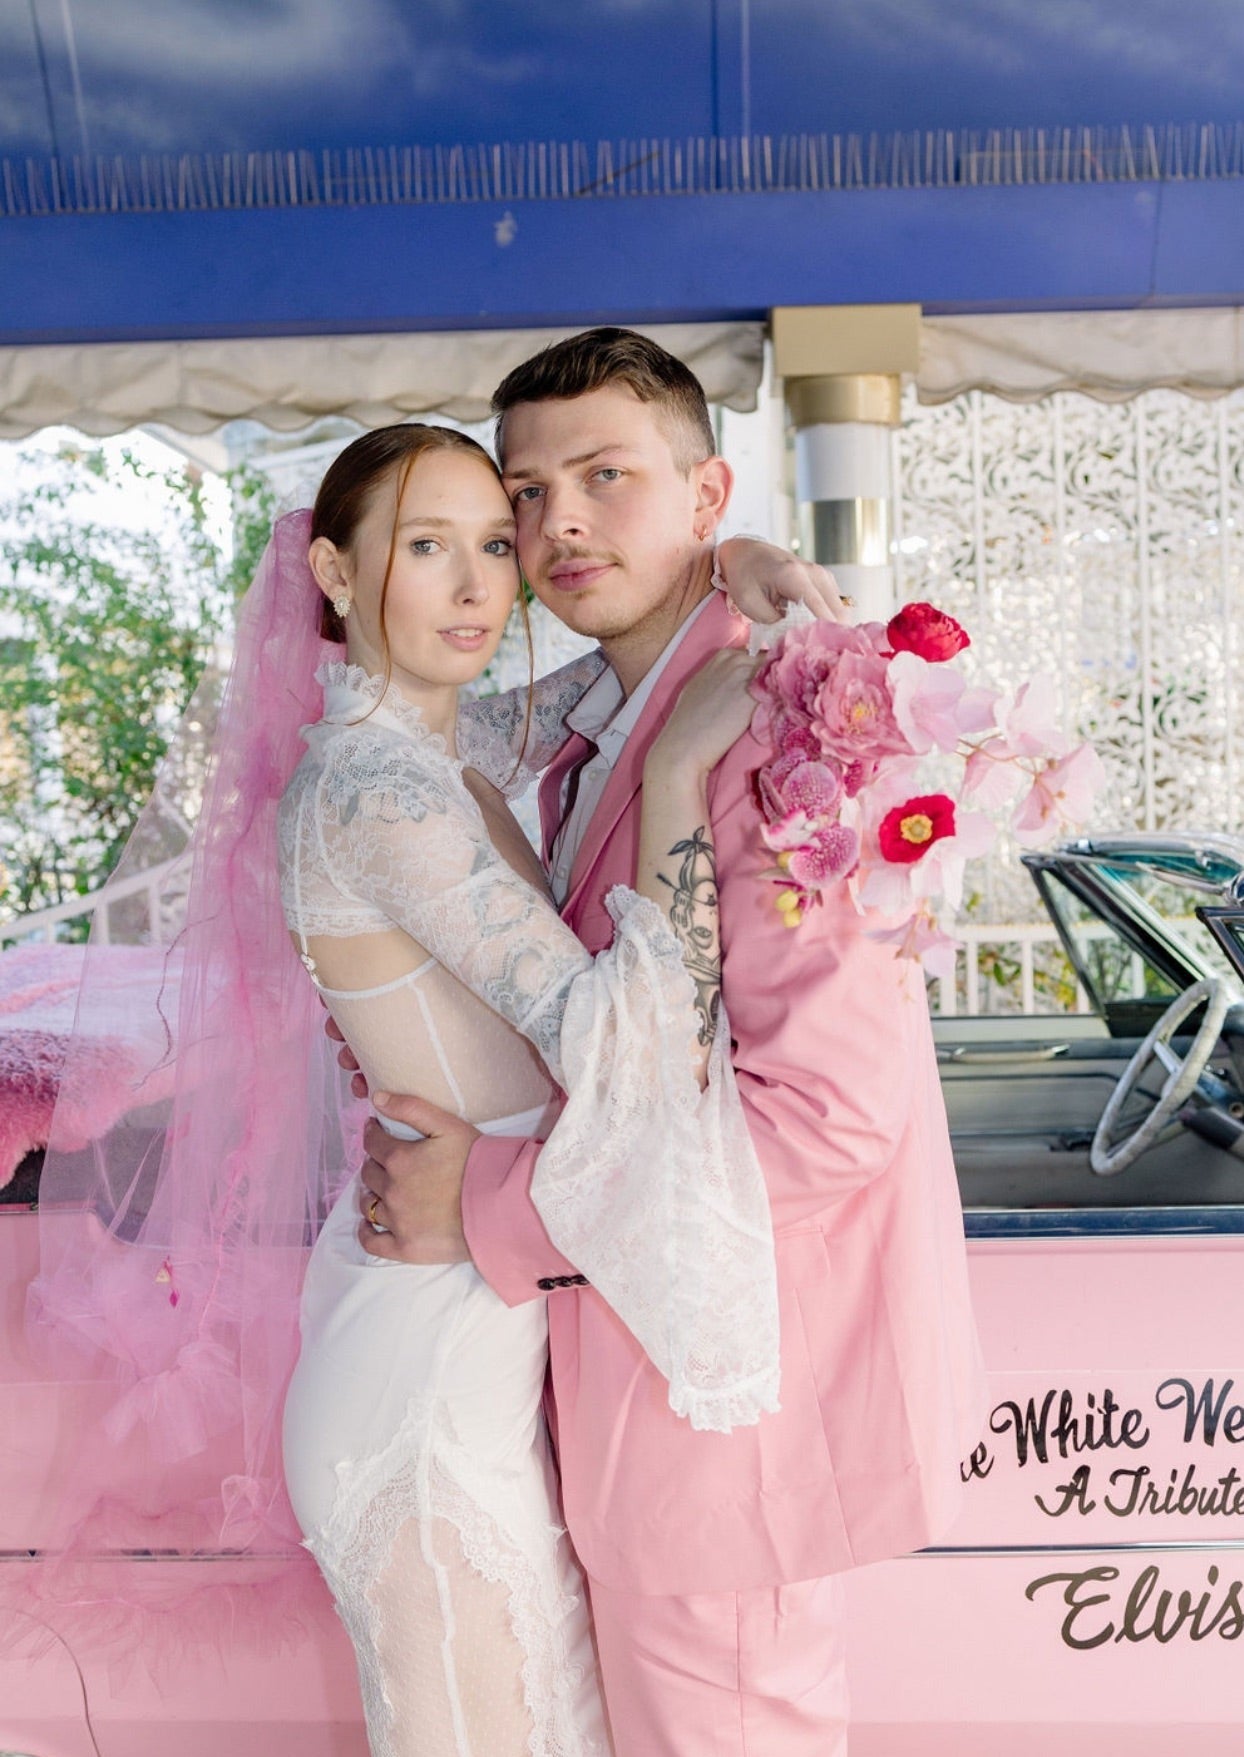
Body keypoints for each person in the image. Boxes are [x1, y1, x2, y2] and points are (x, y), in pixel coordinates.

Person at [350, 328, 988, 1757]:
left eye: (605, 475)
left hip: (722, 1432)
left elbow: (823, 1118)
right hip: (627, 1415)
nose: (557, 519)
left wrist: (491, 1207)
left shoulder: (781, 738)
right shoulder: (607, 717)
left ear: (705, 493)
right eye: (526, 490)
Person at [277, 420, 789, 1757]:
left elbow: (635, 659)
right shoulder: (377, 790)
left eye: (494, 546)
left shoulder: (464, 743)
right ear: (333, 572)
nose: (476, 587)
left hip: (472, 1291)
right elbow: (618, 1041)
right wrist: (677, 774)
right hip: (423, 1357)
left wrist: (740, 557)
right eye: (424, 547)